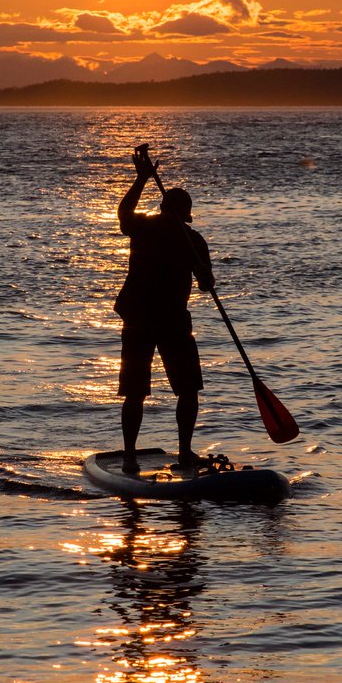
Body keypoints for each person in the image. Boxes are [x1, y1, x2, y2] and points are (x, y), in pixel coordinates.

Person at [114, 147, 214, 473]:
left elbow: (204, 283)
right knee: (154, 391)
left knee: (166, 390)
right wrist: (142, 178)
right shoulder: (180, 236)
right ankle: (158, 454)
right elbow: (206, 285)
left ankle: (154, 455)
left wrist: (140, 180)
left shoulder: (184, 238)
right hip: (151, 321)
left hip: (159, 321)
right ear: (183, 212)